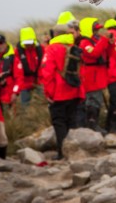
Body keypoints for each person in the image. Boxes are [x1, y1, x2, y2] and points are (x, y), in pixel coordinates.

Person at [40, 18, 84, 160]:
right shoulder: (74, 48)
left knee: (59, 123)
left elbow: (47, 74)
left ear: (55, 34)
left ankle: (62, 153)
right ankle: (74, 153)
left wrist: (49, 93)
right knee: (72, 122)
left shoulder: (51, 49)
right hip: (75, 91)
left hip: (58, 93)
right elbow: (81, 71)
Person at [77, 17, 110, 133]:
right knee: (93, 100)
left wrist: (108, 40)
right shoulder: (84, 43)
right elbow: (95, 53)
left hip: (97, 74)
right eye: (95, 30)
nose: (97, 32)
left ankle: (93, 125)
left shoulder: (95, 40)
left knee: (96, 100)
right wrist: (105, 39)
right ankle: (92, 126)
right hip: (91, 76)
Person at [11, 27, 44, 107]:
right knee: (24, 107)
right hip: (24, 83)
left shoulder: (41, 49)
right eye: (26, 43)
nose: (28, 45)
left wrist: (41, 82)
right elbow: (18, 73)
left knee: (42, 104)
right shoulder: (17, 52)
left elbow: (43, 67)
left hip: (39, 81)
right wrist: (16, 90)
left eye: (30, 42)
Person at [0, 34, 15, 107]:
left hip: (9, 93)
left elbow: (19, 76)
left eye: (0, 43)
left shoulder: (13, 55)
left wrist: (15, 92)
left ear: (5, 43)